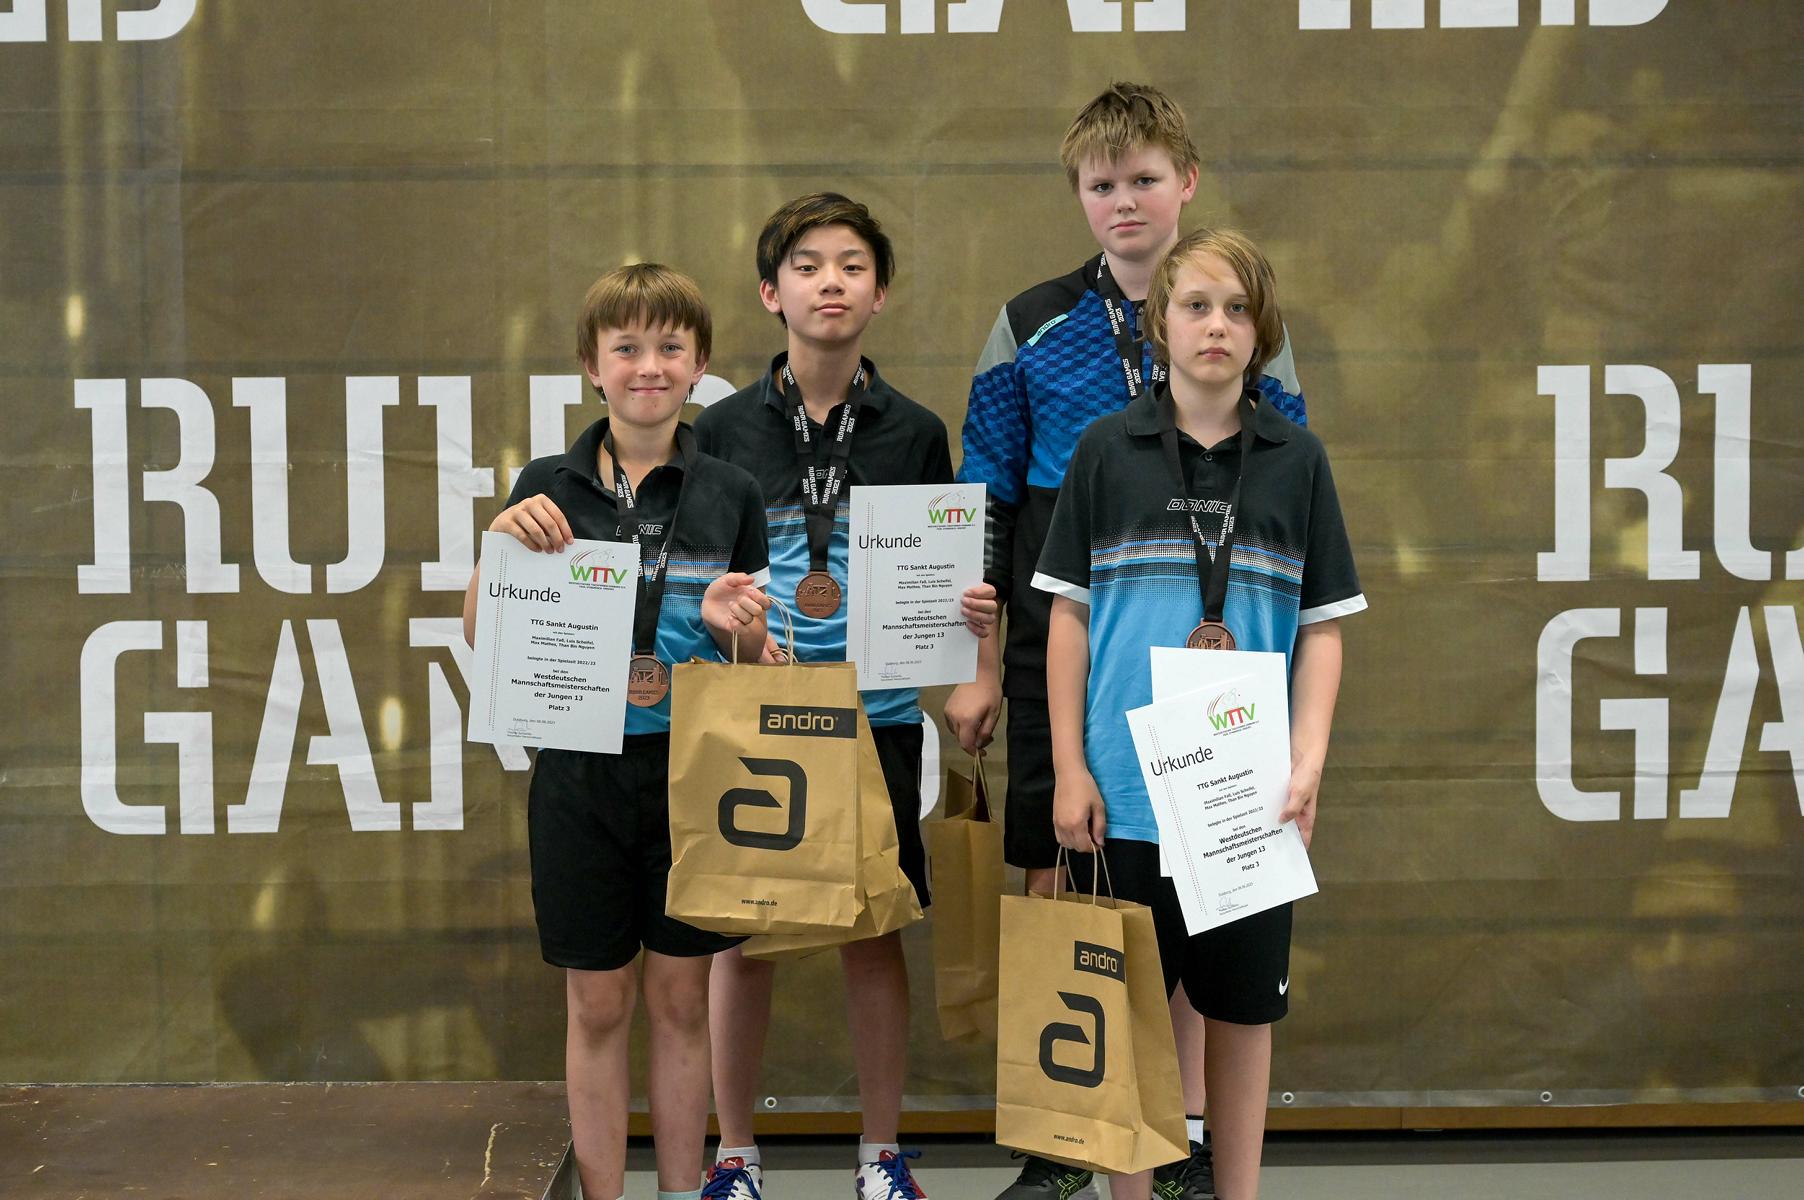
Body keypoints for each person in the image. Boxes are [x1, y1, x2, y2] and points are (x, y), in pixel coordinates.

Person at [947, 82, 1306, 1200]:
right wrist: (978, 665)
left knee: (1198, 884)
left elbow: (1288, 490)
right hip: (1065, 636)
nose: (1126, 202)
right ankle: (1068, 1135)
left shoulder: (1239, 314)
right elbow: (982, 496)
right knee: (1066, 872)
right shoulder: (1031, 322)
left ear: (1186, 183)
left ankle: (1182, 1131)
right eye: (1103, 185)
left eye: (1145, 179)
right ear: (1080, 196)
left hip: (1211, 650)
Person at [1033, 228, 1364, 1200]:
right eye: (1195, 306)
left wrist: (1307, 761)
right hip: (1124, 795)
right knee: (1130, 1018)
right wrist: (1070, 768)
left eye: (1236, 309)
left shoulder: (1297, 460)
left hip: (1247, 797)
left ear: (1262, 332)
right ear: (1160, 323)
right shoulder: (1105, 451)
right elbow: (1067, 619)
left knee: (1243, 1018)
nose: (1215, 325)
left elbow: (1323, 630)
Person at [694, 192, 999, 1200]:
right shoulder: (721, 428)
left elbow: (937, 576)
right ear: (770, 292)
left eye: (853, 266)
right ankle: (735, 1156)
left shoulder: (914, 432)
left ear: (880, 294)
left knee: (874, 932)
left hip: (874, 719)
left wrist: (968, 627)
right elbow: (705, 579)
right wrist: (738, 631)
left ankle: (880, 1157)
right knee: (745, 937)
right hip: (759, 715)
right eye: (809, 265)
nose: (831, 282)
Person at [462, 263, 774, 1200]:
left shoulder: (731, 492)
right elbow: (485, 633)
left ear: (700, 364)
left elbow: (758, 661)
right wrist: (498, 544)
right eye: (627, 348)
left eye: (670, 347)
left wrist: (733, 628)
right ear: (592, 367)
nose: (649, 366)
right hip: (579, 773)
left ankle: (680, 1191)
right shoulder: (546, 486)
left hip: (693, 774)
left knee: (681, 1000)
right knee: (598, 1003)